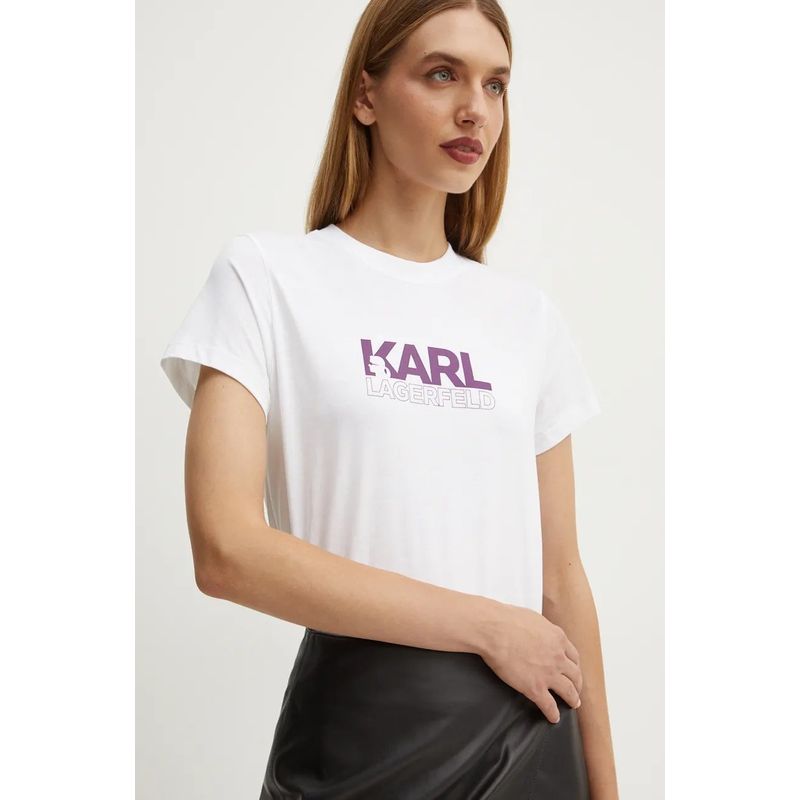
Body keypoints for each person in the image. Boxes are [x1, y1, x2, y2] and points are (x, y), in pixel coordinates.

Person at [160, 0, 618, 797]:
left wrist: (607, 789)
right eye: (442, 75)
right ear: (365, 95)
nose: (475, 109)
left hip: (530, 738)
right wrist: (488, 627)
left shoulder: (526, 319)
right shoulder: (267, 279)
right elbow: (226, 550)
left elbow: (561, 580)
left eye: (496, 84)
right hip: (356, 738)